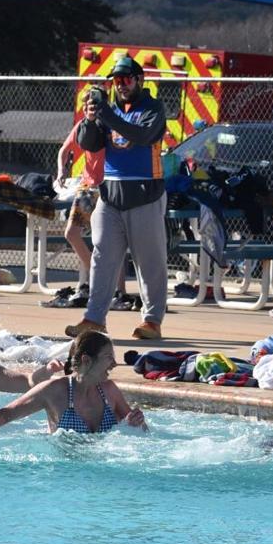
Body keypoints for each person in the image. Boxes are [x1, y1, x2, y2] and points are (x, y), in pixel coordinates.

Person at [66, 56, 169, 340]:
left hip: (145, 195)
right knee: (102, 259)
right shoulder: (108, 111)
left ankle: (152, 321)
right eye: (116, 81)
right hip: (110, 196)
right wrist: (89, 119)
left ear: (139, 80)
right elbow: (91, 143)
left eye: (126, 79)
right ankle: (94, 318)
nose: (121, 86)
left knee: (149, 261)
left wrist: (106, 115)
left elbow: (143, 135)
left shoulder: (153, 109)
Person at [0, 331, 146, 434]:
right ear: (86, 360)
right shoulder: (54, 391)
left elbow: (142, 434)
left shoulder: (110, 391)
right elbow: (7, 414)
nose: (114, 364)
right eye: (109, 358)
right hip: (64, 475)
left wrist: (133, 425)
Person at [45, 118, 128, 309]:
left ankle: (119, 291)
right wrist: (61, 171)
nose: (91, 109)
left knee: (113, 240)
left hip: (109, 186)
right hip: (88, 187)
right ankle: (99, 278)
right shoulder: (84, 125)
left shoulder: (114, 124)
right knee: (72, 233)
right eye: (89, 105)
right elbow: (64, 151)